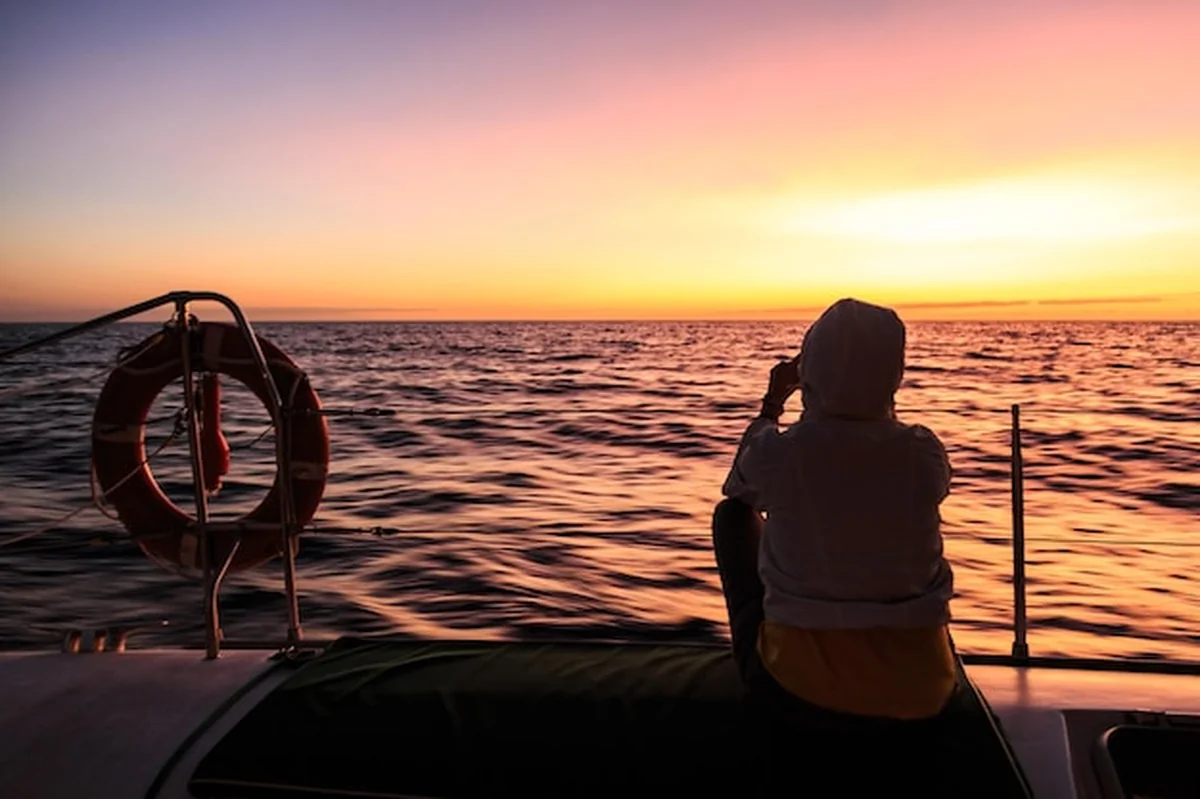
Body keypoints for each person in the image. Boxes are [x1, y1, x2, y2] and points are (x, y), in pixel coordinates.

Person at [713, 297, 957, 731]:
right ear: (893, 374)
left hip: (799, 686)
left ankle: (759, 658)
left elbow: (738, 487)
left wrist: (772, 403)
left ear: (811, 369)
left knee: (733, 516)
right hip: (924, 689)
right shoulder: (923, 452)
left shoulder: (782, 453)